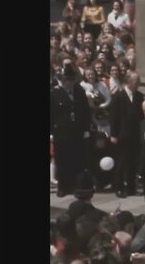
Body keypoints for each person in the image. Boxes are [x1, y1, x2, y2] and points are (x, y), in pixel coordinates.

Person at [50, 63, 91, 197]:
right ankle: (63, 187)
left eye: (72, 80)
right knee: (62, 160)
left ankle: (75, 186)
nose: (70, 83)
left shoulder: (79, 92)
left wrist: (86, 128)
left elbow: (85, 111)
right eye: (67, 80)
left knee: (76, 160)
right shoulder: (55, 93)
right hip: (61, 133)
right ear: (63, 81)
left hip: (77, 132)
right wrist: (51, 132)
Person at [109, 72, 145, 198]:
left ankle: (131, 188)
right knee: (121, 162)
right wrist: (113, 134)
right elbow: (113, 117)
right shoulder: (118, 97)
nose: (138, 83)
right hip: (122, 135)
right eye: (136, 80)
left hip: (135, 135)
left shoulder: (140, 96)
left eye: (139, 80)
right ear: (128, 82)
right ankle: (118, 187)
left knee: (133, 163)